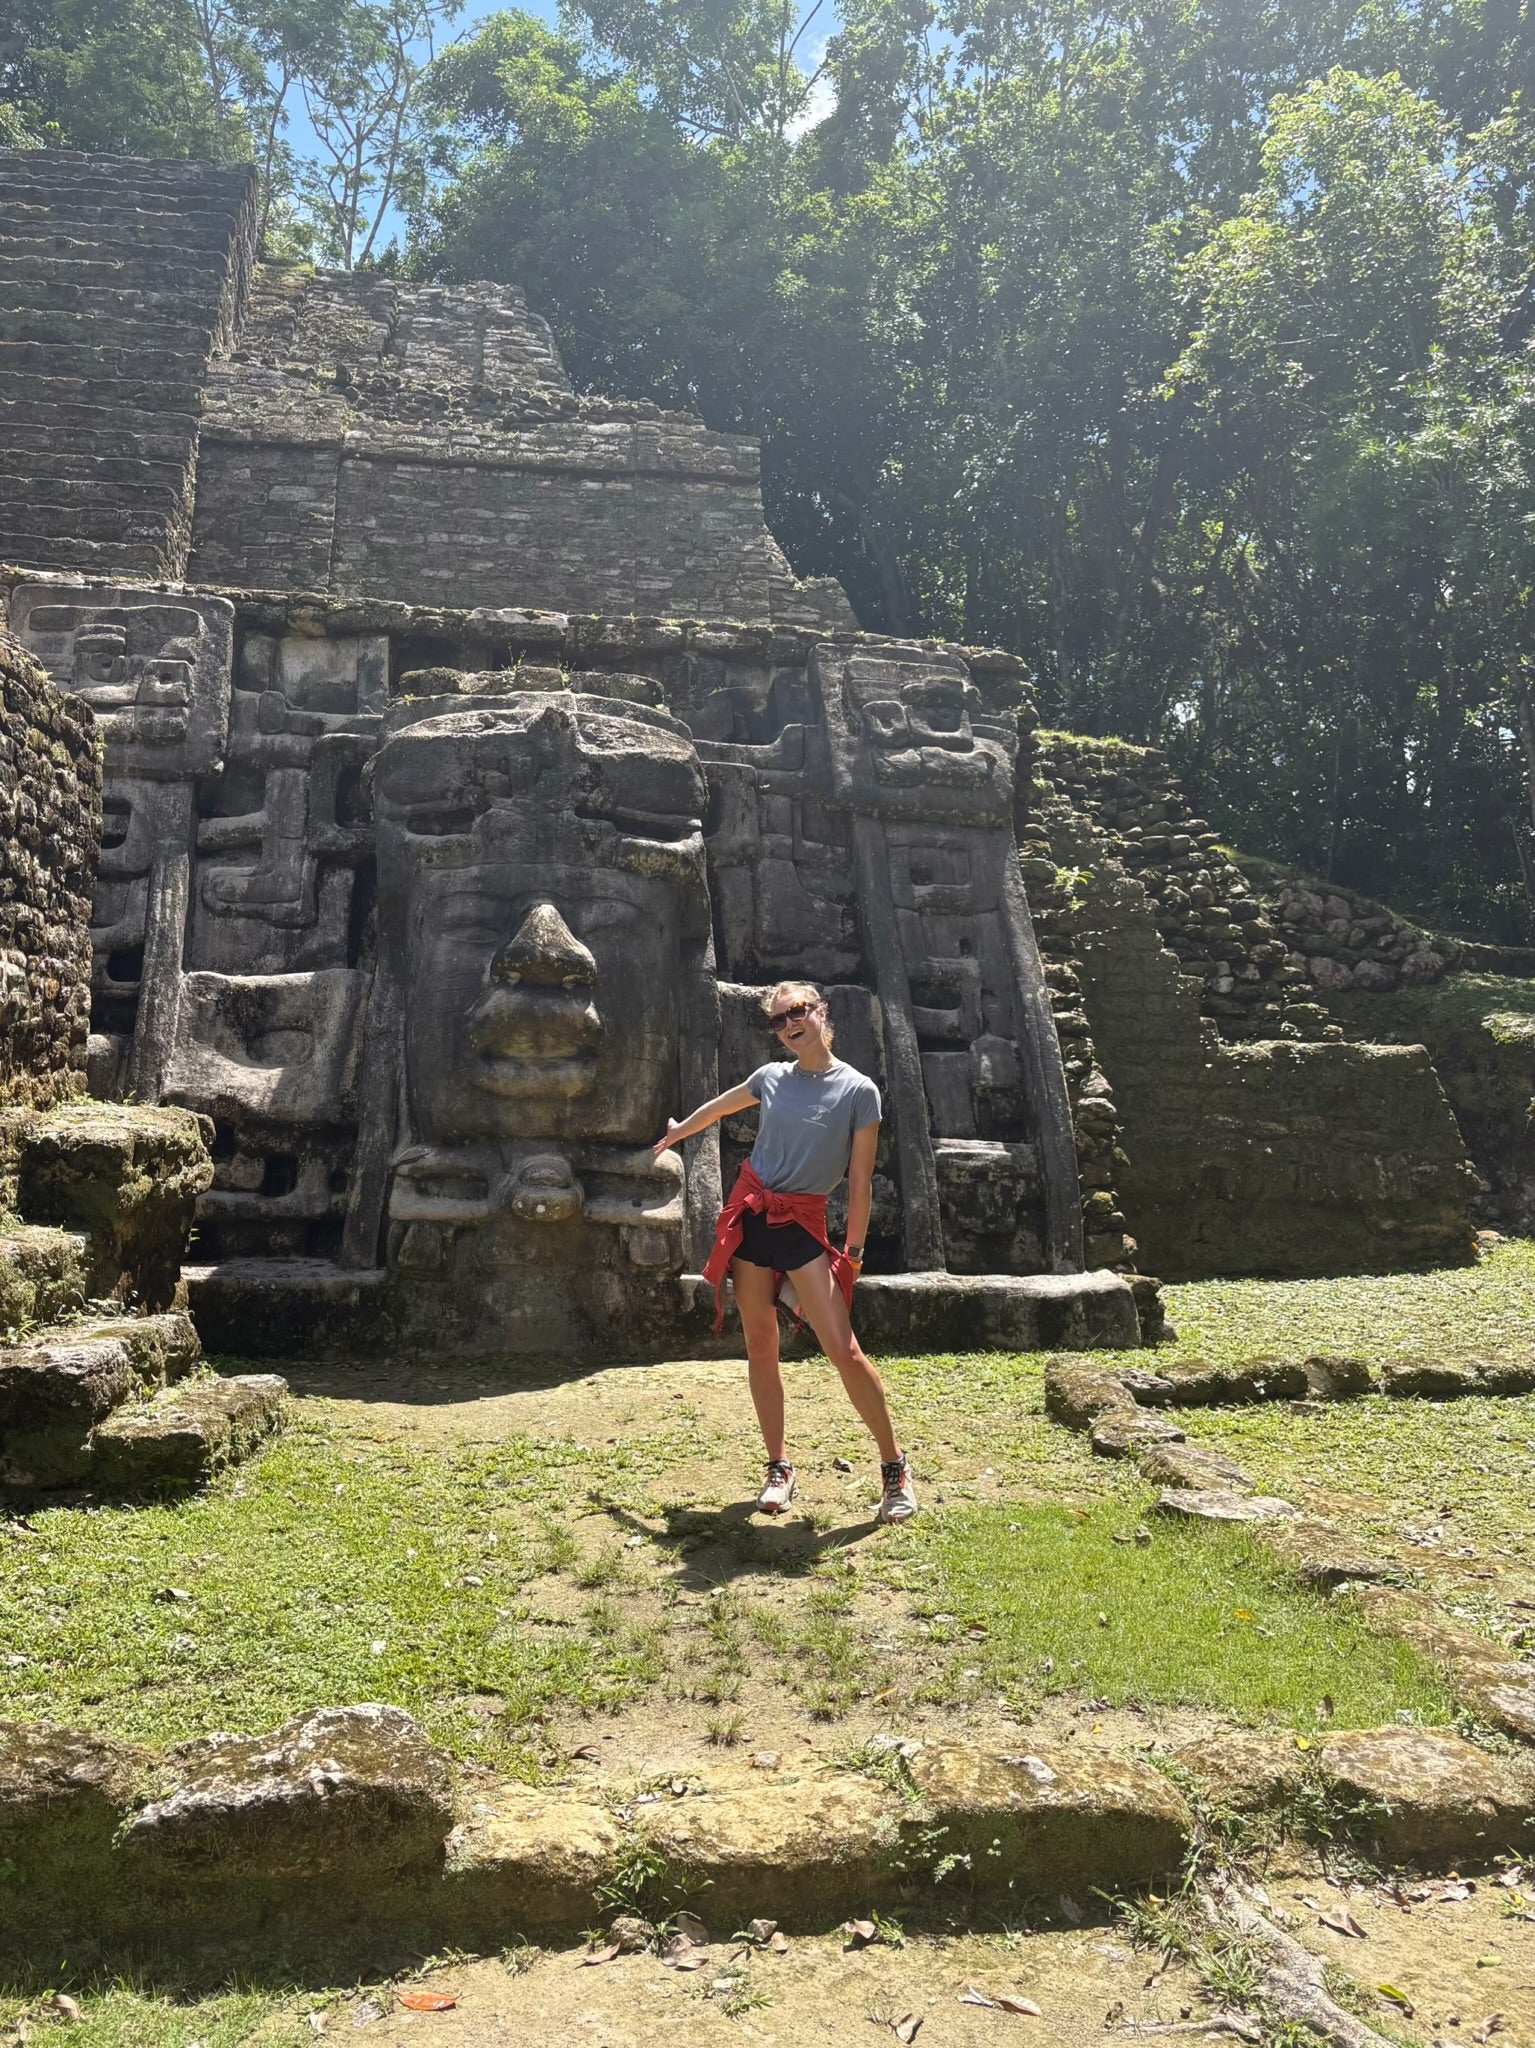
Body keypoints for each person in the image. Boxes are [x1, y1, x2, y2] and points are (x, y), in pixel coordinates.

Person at [653, 981, 918, 1525]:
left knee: (843, 1350)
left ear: (821, 1012)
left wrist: (856, 1252)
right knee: (760, 1344)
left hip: (803, 1224)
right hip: (752, 1218)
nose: (789, 1024)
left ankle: (894, 1469)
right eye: (778, 1020)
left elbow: (861, 1182)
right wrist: (680, 1131)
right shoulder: (770, 1078)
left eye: (797, 1012)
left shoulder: (858, 1090)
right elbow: (719, 1108)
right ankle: (779, 1467)